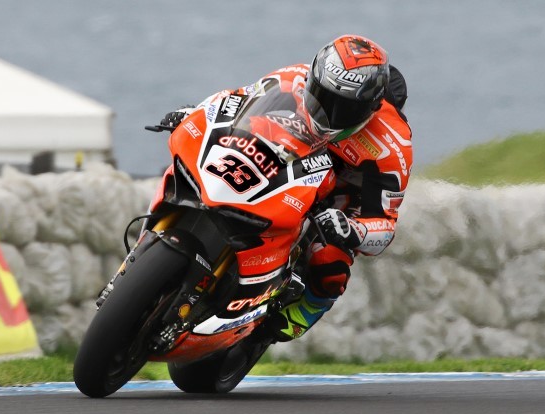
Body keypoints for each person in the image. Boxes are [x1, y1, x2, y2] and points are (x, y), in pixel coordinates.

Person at [158, 34, 412, 344]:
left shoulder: (391, 146)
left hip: (341, 194)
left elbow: (385, 223)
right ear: (316, 76)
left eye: (341, 107)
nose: (326, 110)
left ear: (369, 108)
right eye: (321, 95)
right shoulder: (293, 77)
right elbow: (235, 101)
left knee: (330, 262)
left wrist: (353, 230)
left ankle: (301, 315)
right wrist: (193, 113)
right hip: (286, 156)